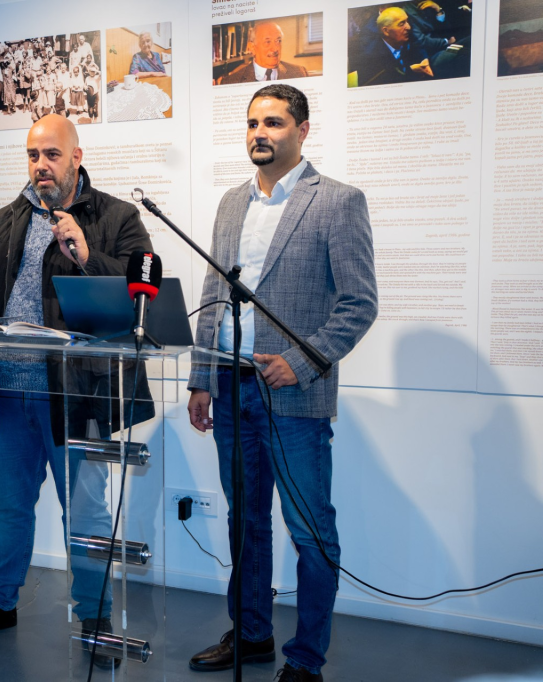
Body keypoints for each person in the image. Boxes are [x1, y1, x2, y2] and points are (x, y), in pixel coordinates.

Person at [0, 114, 154, 668]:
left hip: (75, 399)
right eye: (33, 155)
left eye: (52, 155)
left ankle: (95, 618)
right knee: (9, 506)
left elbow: (142, 293)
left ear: (76, 157)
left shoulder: (116, 217)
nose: (41, 165)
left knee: (84, 515)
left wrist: (85, 254)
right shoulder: (5, 220)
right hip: (6, 395)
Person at [186, 84, 377, 682]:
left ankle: (306, 659)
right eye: (252, 123)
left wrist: (301, 360)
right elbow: (213, 294)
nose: (259, 133)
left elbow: (359, 304)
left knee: (310, 531)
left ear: (302, 130)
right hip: (230, 386)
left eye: (273, 122)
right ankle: (251, 635)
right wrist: (200, 377)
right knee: (245, 521)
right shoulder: (230, 204)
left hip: (293, 395)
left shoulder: (338, 202)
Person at [355, 7, 434, 86]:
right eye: (401, 24)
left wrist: (424, 62)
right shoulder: (371, 57)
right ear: (386, 31)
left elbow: (420, 50)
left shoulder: (409, 37)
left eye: (407, 21)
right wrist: (411, 70)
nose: (408, 27)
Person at [220, 21, 309, 84]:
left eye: (278, 41)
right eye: (267, 42)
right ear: (252, 48)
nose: (275, 49)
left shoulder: (299, 73)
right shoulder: (231, 81)